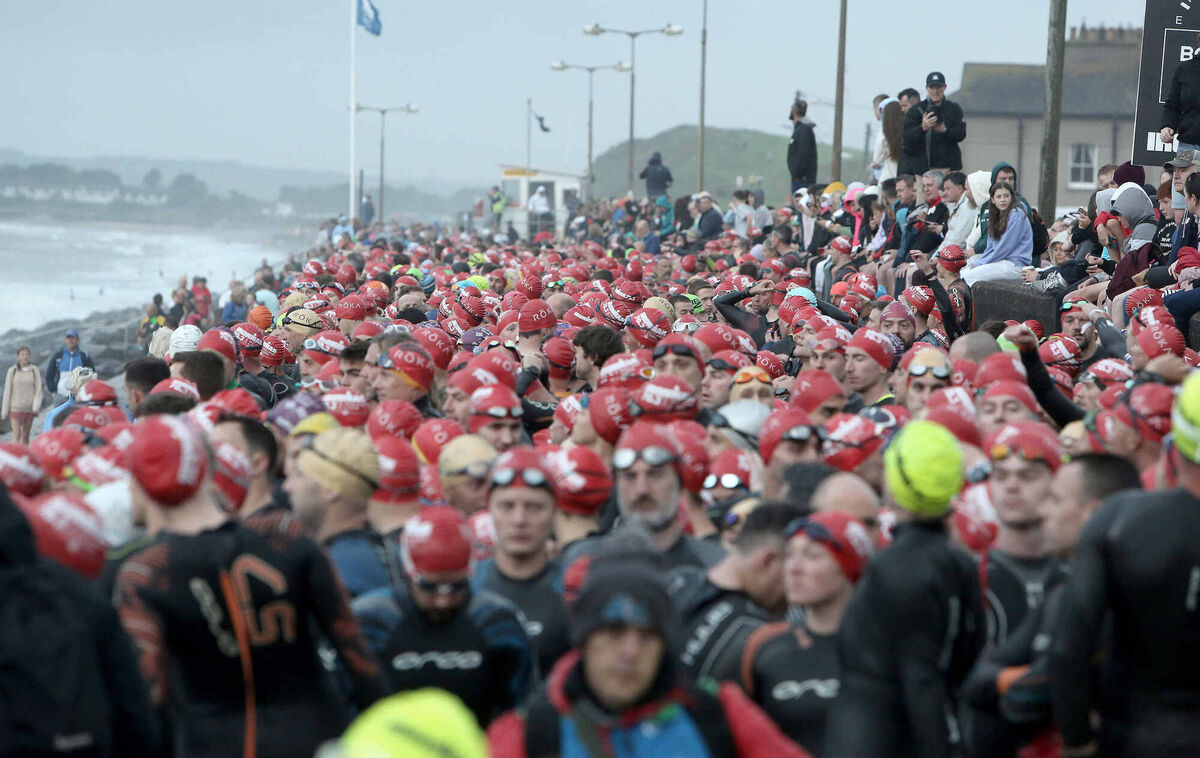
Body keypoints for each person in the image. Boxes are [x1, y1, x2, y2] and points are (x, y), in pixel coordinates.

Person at [113, 415, 389, 757]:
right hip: (316, 736)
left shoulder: (145, 573)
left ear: (141, 483)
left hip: (212, 743)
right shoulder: (286, 538)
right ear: (206, 473)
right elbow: (359, 661)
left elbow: (148, 701)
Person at [486, 547, 811, 757]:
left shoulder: (718, 714)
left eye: (648, 636)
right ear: (584, 639)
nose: (630, 651)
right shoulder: (531, 734)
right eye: (614, 633)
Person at [1048, 373, 1200, 756]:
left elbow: (1069, 645)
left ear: (1176, 440)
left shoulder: (1119, 519)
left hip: (1136, 736)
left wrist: (1077, 740)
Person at [824, 420, 984, 757]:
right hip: (946, 726)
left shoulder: (891, 566)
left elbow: (921, 682)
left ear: (894, 483)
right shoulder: (962, 564)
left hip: (878, 738)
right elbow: (966, 659)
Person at [353, 505, 534, 727]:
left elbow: (524, 707)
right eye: (430, 586)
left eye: (457, 586)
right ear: (408, 573)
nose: (443, 600)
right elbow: (344, 707)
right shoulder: (371, 621)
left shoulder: (496, 621)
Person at [741, 510, 873, 755]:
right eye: (789, 555)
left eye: (812, 556)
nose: (794, 568)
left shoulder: (885, 648)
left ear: (848, 568)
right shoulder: (765, 646)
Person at [675, 502, 803, 684]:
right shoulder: (762, 637)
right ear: (768, 561)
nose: (793, 594)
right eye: (793, 572)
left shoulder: (678, 581)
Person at [471, 447, 570, 677]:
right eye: (507, 506)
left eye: (534, 507)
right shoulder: (468, 588)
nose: (519, 520)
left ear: (555, 511)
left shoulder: (574, 591)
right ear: (489, 510)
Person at [283, 426, 403, 598]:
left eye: (300, 476)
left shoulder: (331, 574)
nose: (287, 487)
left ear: (330, 489)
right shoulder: (394, 553)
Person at [962, 182, 1033, 286]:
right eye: (999, 197)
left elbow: (1004, 248)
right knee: (963, 271)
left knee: (967, 277)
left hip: (1014, 264)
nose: (1003, 199)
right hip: (1000, 262)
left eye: (1006, 196)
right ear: (993, 200)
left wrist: (980, 264)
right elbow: (990, 248)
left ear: (1012, 198)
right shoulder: (996, 216)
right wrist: (978, 263)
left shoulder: (1017, 214)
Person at [899, 71, 967, 175]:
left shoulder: (953, 109)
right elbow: (907, 138)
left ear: (945, 87)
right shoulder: (916, 110)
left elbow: (961, 134)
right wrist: (922, 128)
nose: (935, 92)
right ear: (927, 88)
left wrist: (946, 130)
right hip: (923, 169)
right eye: (932, 88)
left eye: (939, 87)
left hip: (949, 168)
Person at [2, 346, 43, 444]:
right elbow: (7, 391)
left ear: (30, 356)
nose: (25, 356)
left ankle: (25, 457)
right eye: (22, 354)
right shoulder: (12, 371)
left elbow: (38, 390)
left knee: (25, 436)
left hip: (29, 409)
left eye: (27, 354)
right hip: (15, 408)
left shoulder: (34, 370)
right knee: (16, 436)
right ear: (18, 356)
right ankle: (14, 457)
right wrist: (4, 411)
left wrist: (35, 407)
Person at [44, 329, 94, 406]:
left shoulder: (84, 357)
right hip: (60, 397)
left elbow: (92, 376)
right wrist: (54, 391)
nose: (70, 340)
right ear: (65, 340)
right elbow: (49, 376)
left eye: (73, 337)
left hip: (78, 398)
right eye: (68, 338)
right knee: (60, 418)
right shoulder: (58, 356)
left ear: (78, 339)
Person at [788, 97, 818, 191]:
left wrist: (797, 174)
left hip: (802, 180)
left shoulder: (803, 130)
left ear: (793, 111)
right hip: (800, 179)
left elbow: (803, 155)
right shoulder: (800, 129)